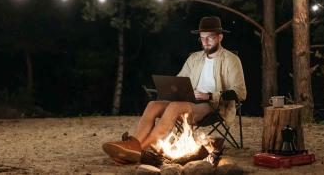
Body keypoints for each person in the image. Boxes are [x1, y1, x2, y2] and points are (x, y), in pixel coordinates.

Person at [102, 16, 247, 164]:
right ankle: (132, 145)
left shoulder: (231, 60)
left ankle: (138, 151)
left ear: (220, 37)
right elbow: (180, 80)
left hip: (213, 105)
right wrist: (172, 89)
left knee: (174, 106)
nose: (206, 42)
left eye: (210, 37)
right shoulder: (194, 58)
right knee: (153, 105)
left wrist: (209, 95)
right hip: (189, 101)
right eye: (202, 38)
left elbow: (240, 92)